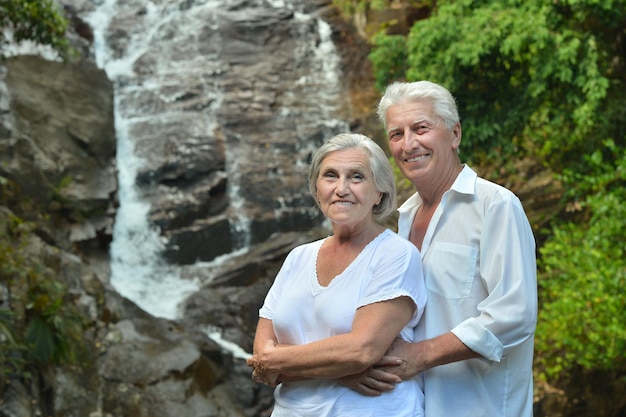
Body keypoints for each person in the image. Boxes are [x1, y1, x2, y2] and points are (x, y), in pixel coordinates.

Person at [341, 81, 538, 416]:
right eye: (396, 134)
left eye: (421, 128)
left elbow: (514, 315)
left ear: (455, 134)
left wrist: (421, 354)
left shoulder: (495, 205)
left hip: (480, 407)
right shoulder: (402, 219)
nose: (409, 144)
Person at [247, 133, 427, 417]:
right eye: (330, 176)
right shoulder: (298, 258)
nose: (341, 188)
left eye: (356, 177)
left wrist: (283, 363)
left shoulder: (395, 255)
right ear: (317, 189)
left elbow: (361, 351)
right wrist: (339, 371)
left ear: (379, 192)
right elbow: (262, 359)